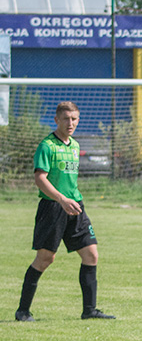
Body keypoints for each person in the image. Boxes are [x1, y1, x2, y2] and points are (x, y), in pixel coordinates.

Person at [15, 101, 114, 322]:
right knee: (45, 258)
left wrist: (71, 199)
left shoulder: (76, 146)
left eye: (75, 119)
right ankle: (23, 311)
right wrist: (61, 199)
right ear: (56, 120)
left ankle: (89, 310)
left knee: (91, 254)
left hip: (75, 205)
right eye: (66, 119)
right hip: (52, 208)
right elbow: (40, 178)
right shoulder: (47, 146)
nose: (71, 123)